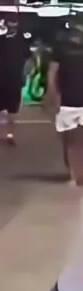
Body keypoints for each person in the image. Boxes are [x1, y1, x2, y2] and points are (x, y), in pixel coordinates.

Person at [46, 16, 83, 186]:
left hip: (74, 99)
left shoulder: (61, 48)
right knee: (70, 141)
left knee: (73, 141)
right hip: (68, 100)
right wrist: (52, 94)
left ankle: (76, 175)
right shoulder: (59, 48)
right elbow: (52, 73)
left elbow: (51, 73)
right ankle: (73, 175)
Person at [0, 19, 29, 145]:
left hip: (14, 80)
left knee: (12, 111)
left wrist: (25, 75)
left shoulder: (22, 39)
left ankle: (10, 136)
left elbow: (28, 60)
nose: (12, 27)